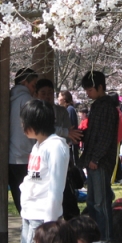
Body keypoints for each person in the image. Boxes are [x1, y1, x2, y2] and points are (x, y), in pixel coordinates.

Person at [19, 99, 69, 243]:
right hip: (29, 211)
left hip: (42, 216)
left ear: (35, 123)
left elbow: (56, 187)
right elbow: (33, 178)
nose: (22, 126)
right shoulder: (38, 145)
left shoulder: (55, 147)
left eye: (24, 121)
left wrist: (49, 223)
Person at [79, 70, 119, 243]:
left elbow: (105, 136)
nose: (88, 93)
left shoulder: (106, 107)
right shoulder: (98, 105)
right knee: (92, 201)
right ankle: (96, 236)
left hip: (100, 161)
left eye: (90, 90)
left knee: (101, 202)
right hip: (93, 159)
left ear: (100, 87)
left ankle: (106, 236)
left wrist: (95, 158)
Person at [35, 78, 80, 221]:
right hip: (40, 157)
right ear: (37, 94)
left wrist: (64, 134)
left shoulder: (61, 112)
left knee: (64, 191)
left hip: (59, 154)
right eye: (43, 93)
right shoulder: (34, 110)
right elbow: (40, 129)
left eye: (50, 93)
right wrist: (64, 132)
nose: (47, 96)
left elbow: (69, 132)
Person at [8, 67, 38, 213]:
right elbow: (38, 126)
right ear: (25, 83)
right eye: (33, 86)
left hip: (12, 155)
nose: (34, 90)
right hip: (25, 156)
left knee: (21, 202)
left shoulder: (9, 98)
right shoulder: (26, 100)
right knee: (30, 203)